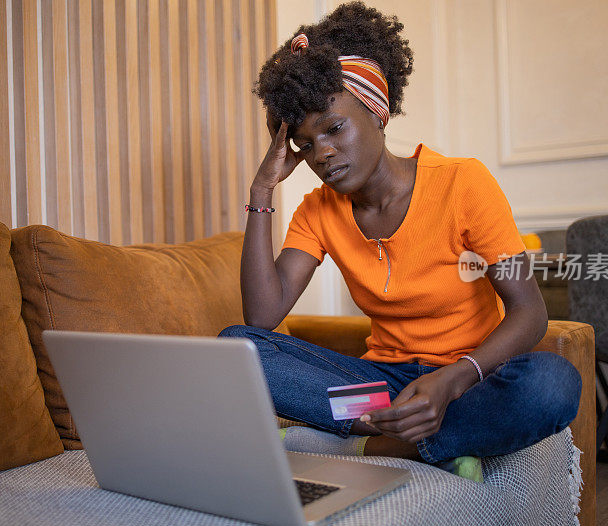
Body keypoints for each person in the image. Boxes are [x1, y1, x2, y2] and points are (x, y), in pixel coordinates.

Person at [218, 1, 581, 481]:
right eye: (306, 144)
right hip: (377, 391)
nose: (322, 153)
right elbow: (262, 318)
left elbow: (530, 312)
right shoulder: (317, 209)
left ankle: (378, 444)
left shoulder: (462, 183)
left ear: (378, 113)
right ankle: (429, 436)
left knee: (552, 384)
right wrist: (262, 190)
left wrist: (452, 381)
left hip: (469, 379)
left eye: (334, 128)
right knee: (239, 348)